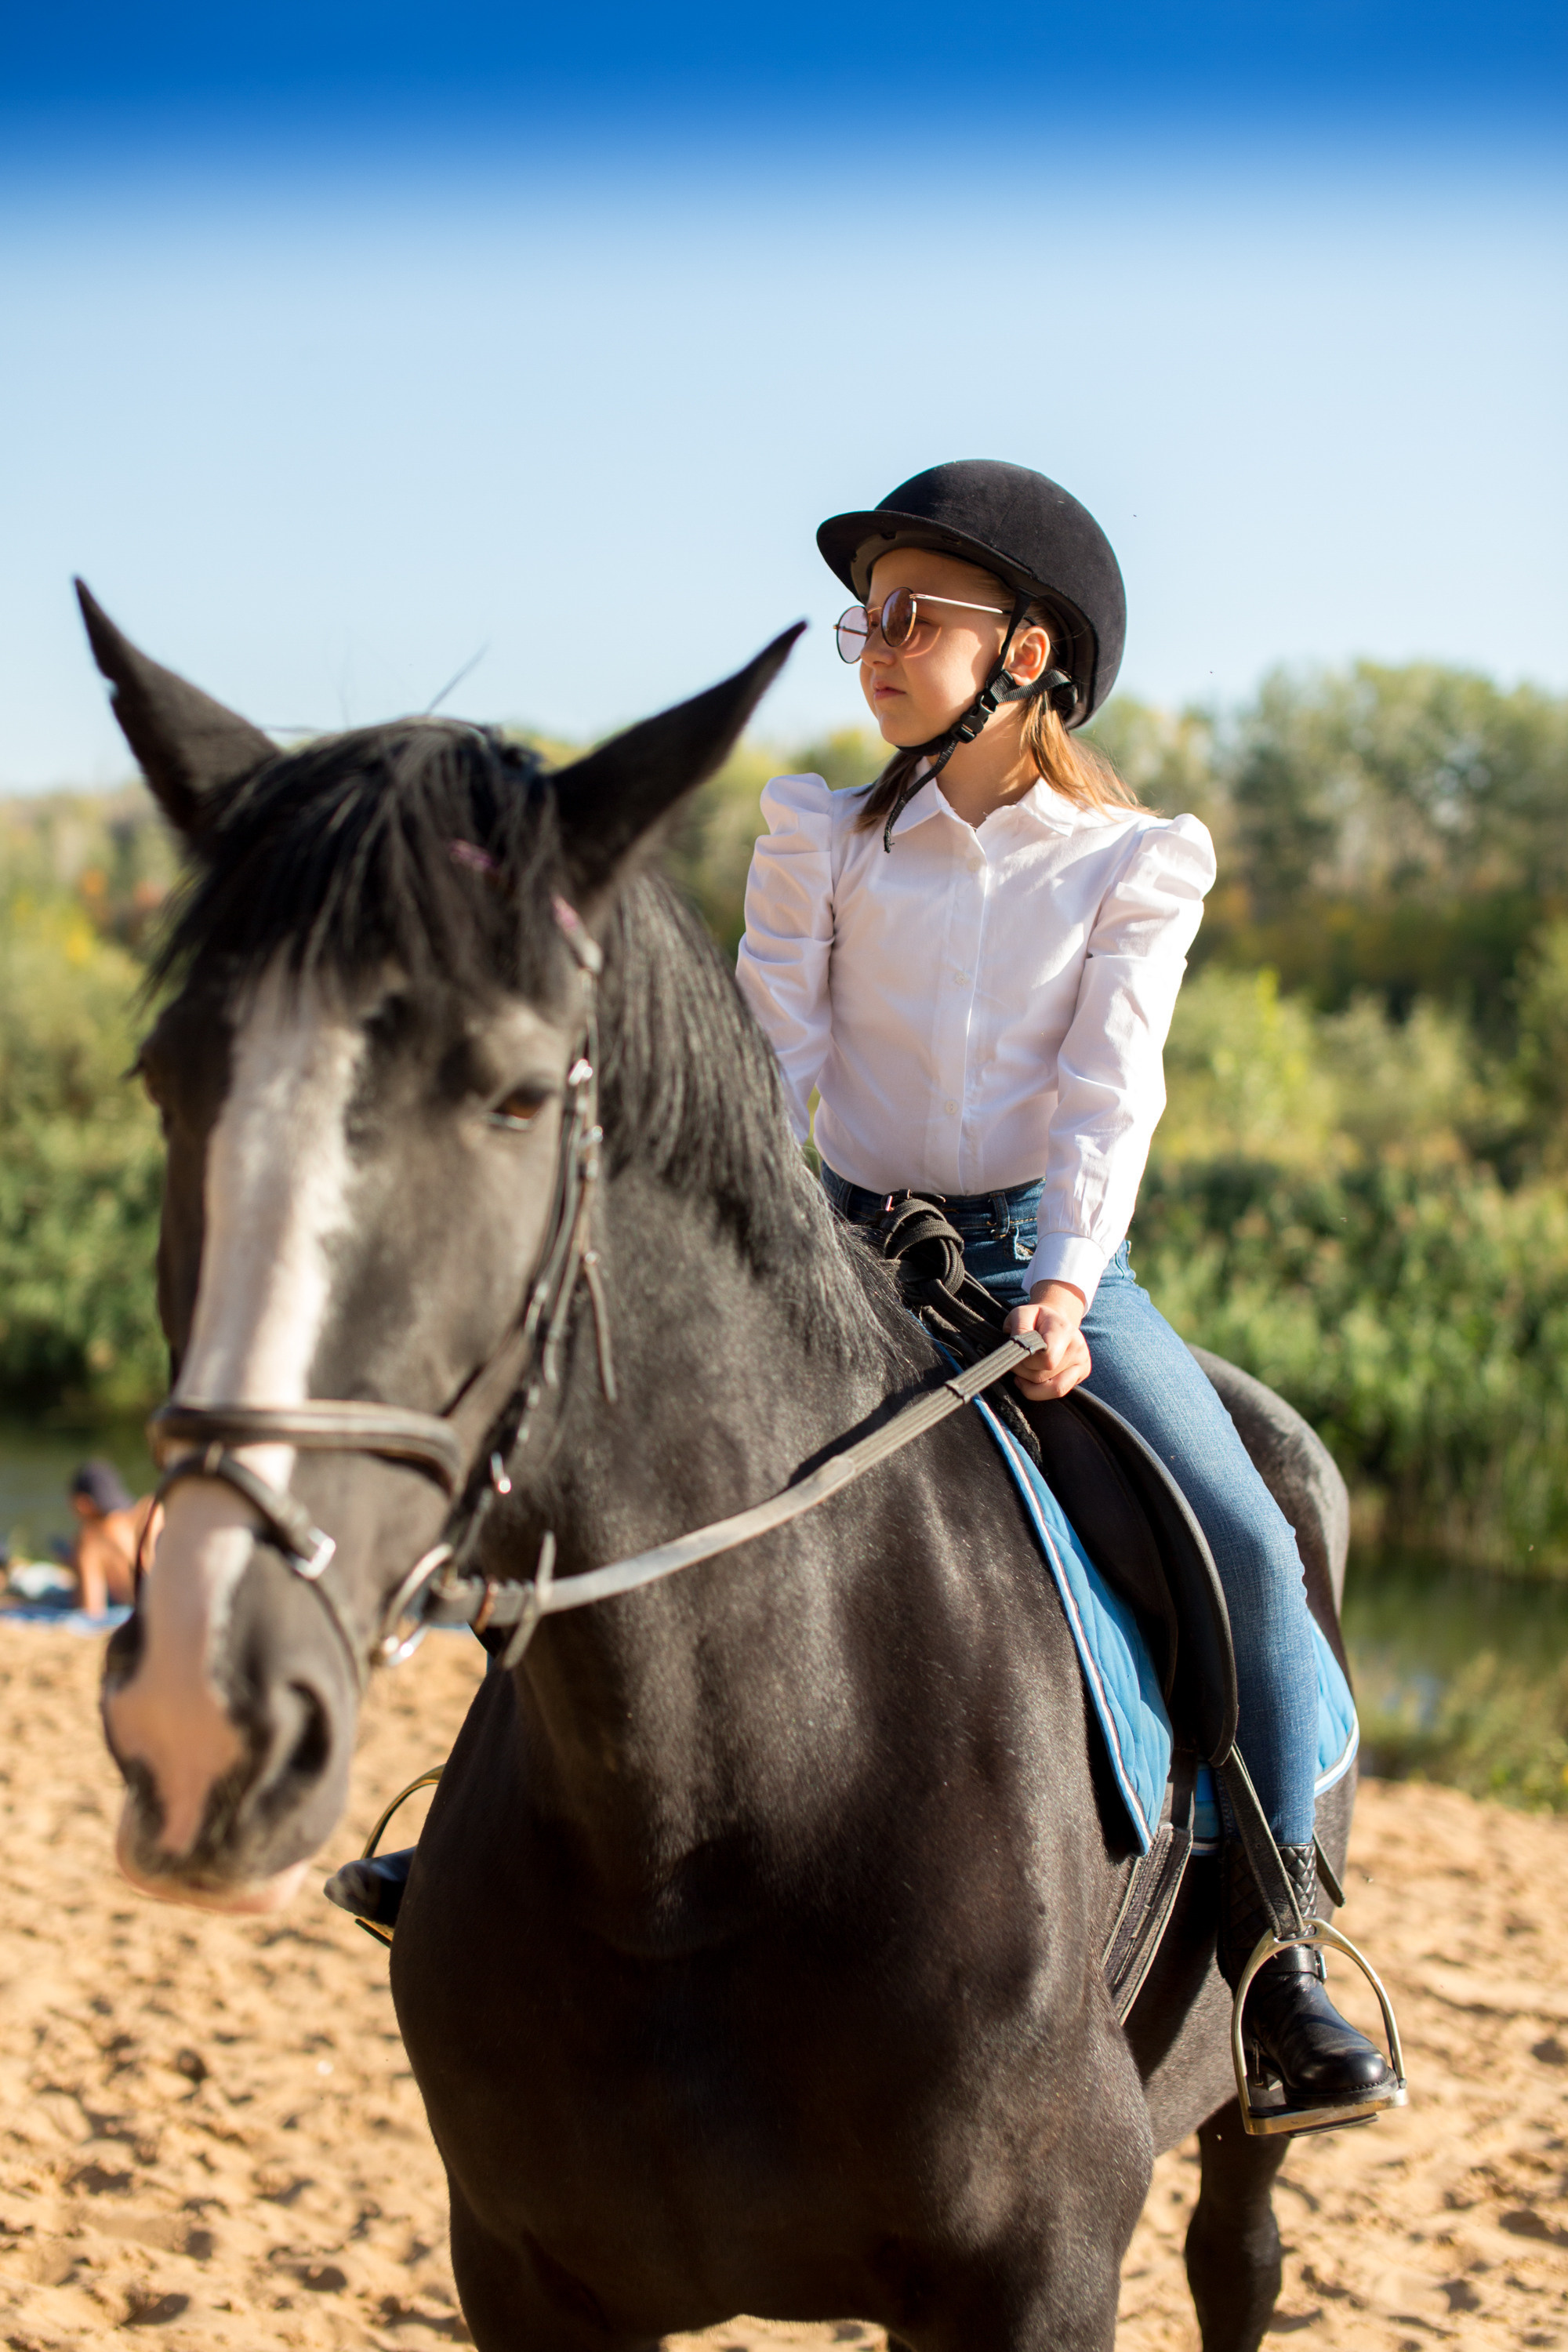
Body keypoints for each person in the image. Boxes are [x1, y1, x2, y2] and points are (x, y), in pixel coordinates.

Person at [735, 458, 1395, 2121]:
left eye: (912, 616)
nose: (872, 645)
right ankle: (467, 1813)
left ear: (1026, 656)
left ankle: (1279, 1954)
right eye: (861, 619)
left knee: (1246, 1546)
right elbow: (769, 1061)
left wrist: (1067, 1289)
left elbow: (1111, 1097)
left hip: (1042, 1261)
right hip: (838, 1248)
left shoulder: (1129, 863)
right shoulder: (820, 838)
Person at [68, 1459, 157, 1618]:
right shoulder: (150, 1512)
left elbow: (91, 1611)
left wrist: (77, 1570)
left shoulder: (91, 1543)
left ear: (82, 1504)